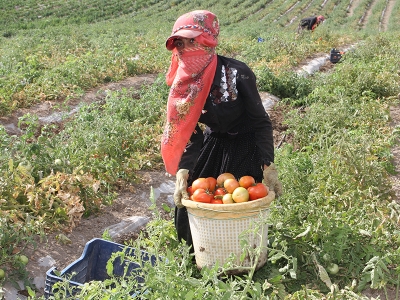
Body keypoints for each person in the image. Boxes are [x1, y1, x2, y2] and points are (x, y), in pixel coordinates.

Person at [161, 10, 283, 251]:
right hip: (214, 139)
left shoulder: (237, 73)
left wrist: (267, 163)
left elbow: (260, 121)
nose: (186, 49)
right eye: (181, 43)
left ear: (208, 41)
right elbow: (189, 129)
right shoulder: (185, 81)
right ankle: (195, 255)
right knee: (191, 201)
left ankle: (240, 257)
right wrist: (184, 168)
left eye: (192, 41)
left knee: (240, 204)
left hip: (245, 141)